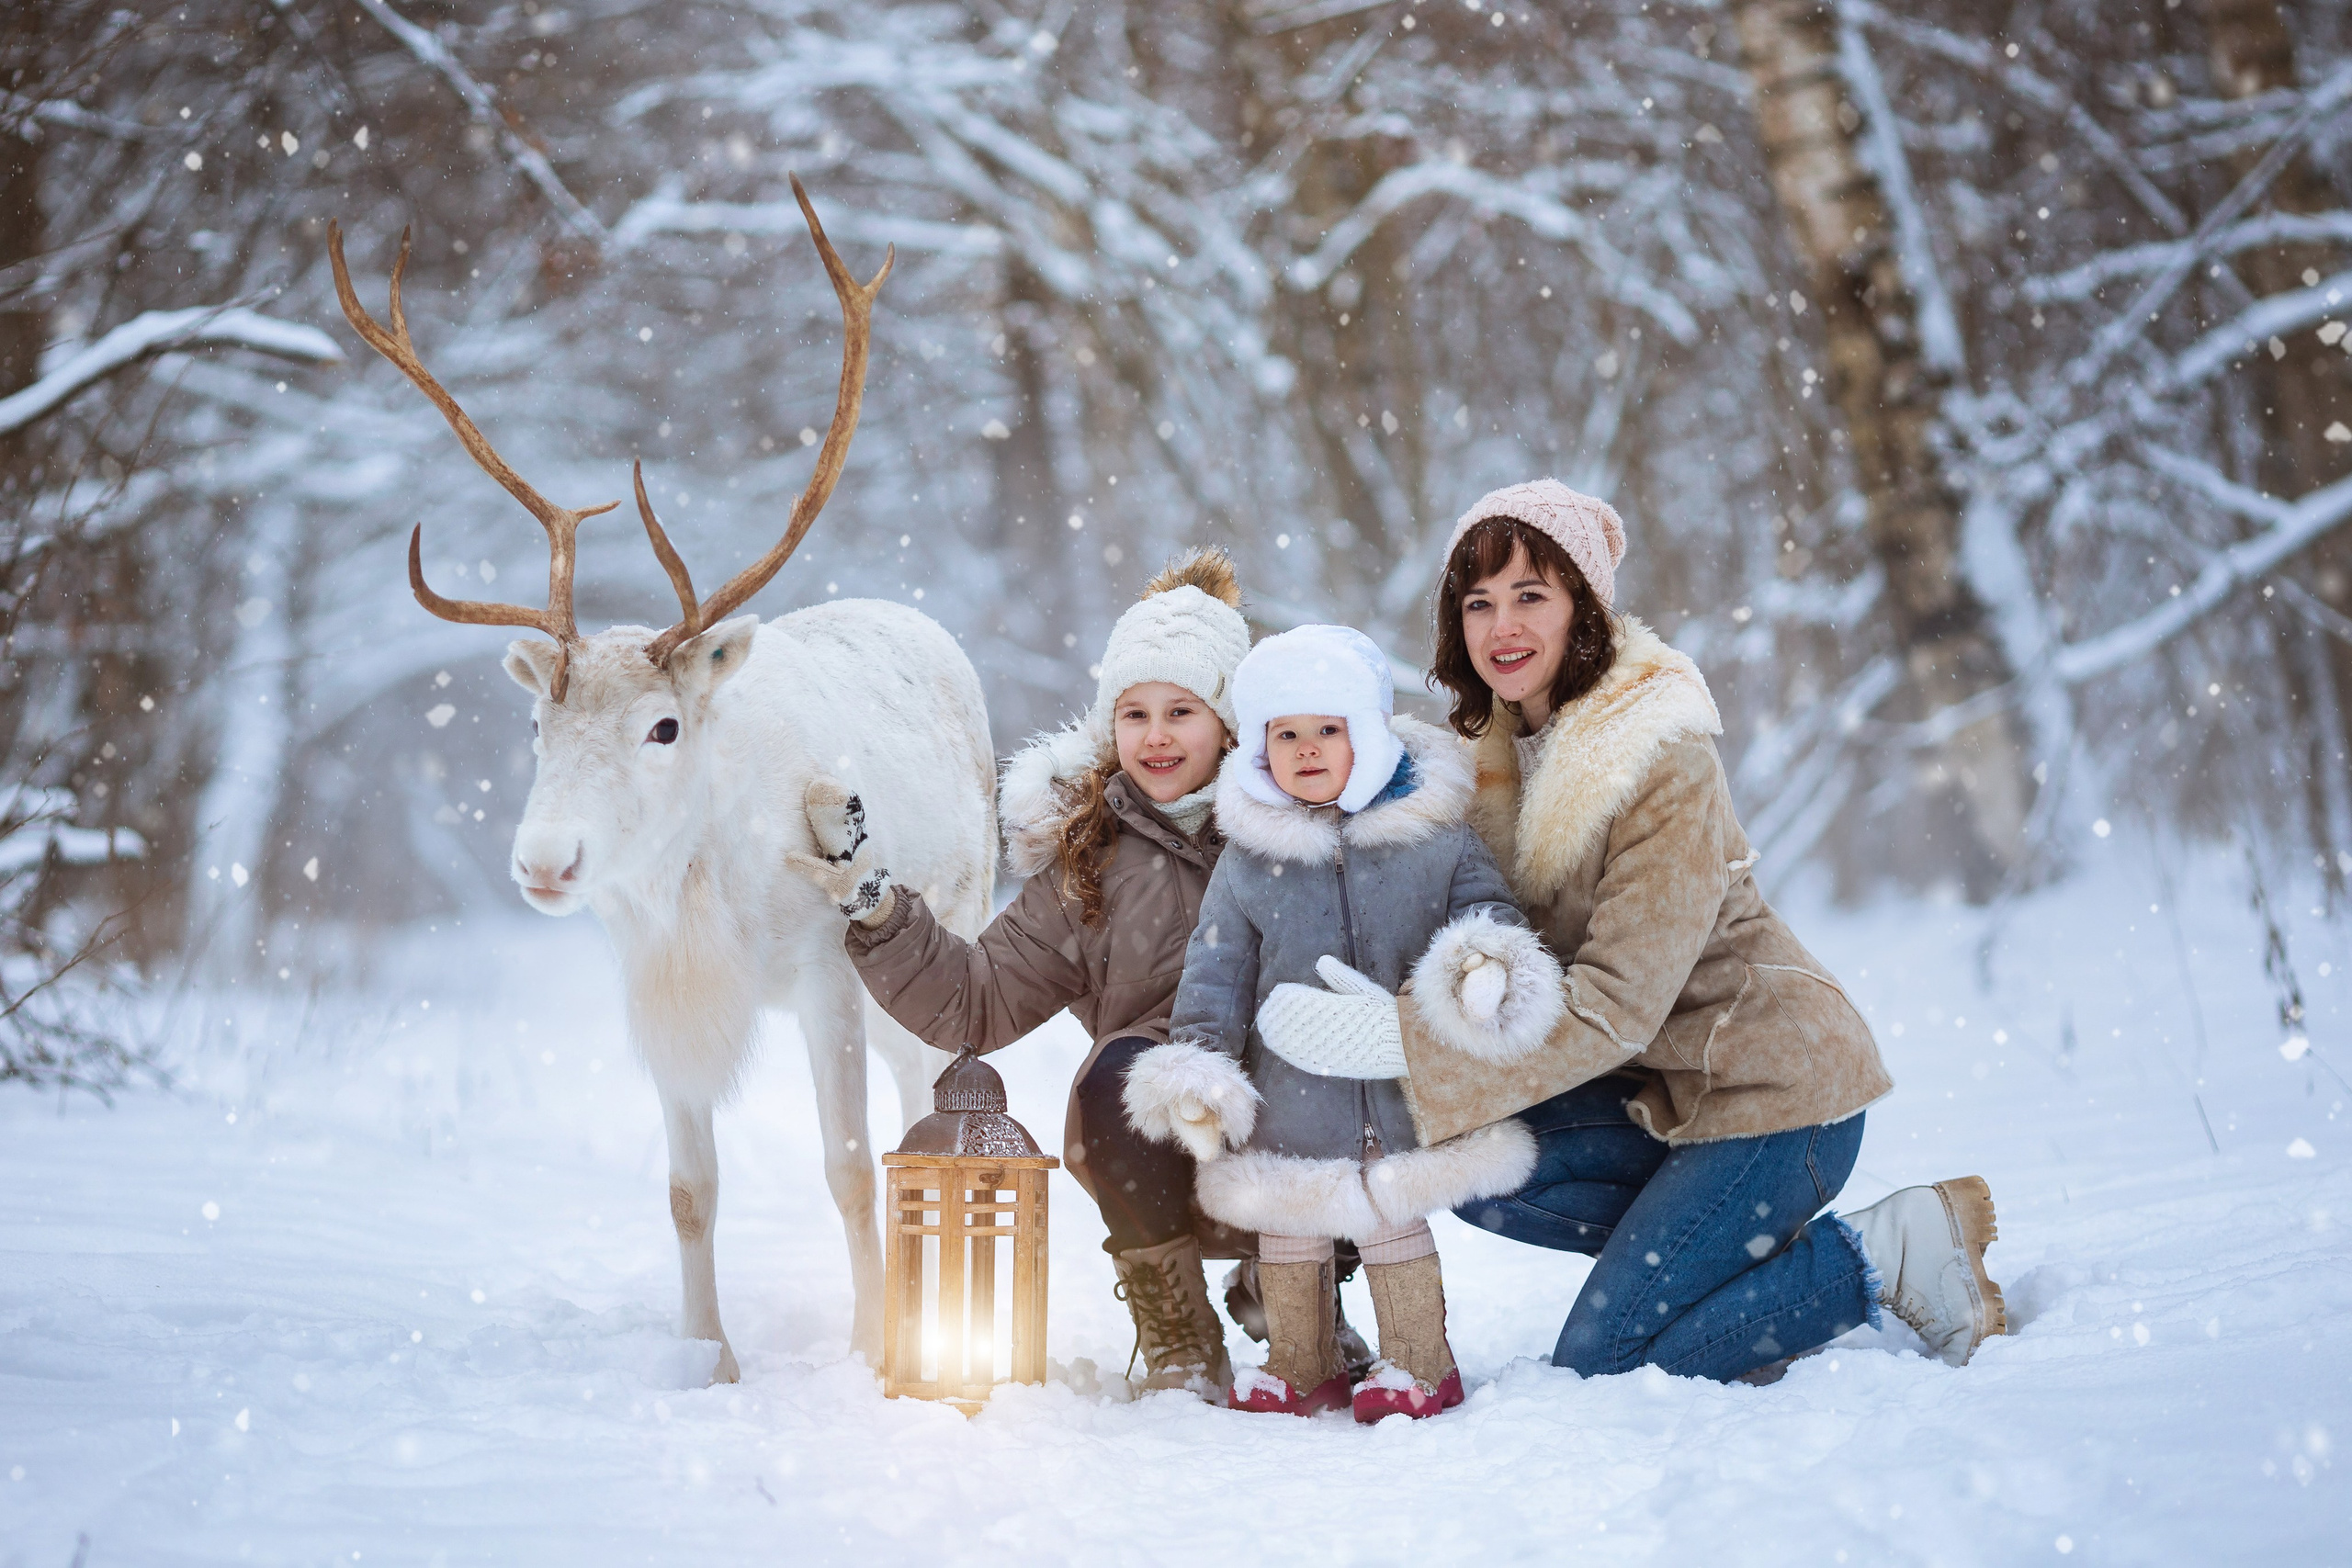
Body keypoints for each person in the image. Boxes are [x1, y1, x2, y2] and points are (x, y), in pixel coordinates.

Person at [1259, 479, 2007, 1382]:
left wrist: (1407, 1042)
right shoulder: (1490, 756)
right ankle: (1720, 1270)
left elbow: (1616, 1004)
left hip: (1767, 1094)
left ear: (1584, 605)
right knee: (1474, 1166)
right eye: (1478, 601)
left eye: (1531, 594)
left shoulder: (1657, 755)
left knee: (1608, 1362)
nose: (1502, 624)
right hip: (1655, 1100)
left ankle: (1883, 1256)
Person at [783, 549, 1260, 1395]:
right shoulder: (1093, 865)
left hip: (1285, 1082)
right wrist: (877, 905)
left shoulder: (1286, 829)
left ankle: (1310, 1303)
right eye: (1135, 712)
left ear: (1229, 723)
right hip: (1163, 1109)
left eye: (1181, 710)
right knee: (1120, 1082)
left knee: (1328, 1060)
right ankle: (1178, 1331)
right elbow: (978, 998)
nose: (1155, 735)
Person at [1122, 624, 1563, 1419]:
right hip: (1289, 1091)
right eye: (1286, 734)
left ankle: (1420, 1359)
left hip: (1396, 1083)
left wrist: (1483, 959)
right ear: (1260, 747)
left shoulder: (1432, 833)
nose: (1308, 748)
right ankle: (1301, 1358)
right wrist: (1199, 1069)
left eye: (1329, 729)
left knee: (1394, 1217)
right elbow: (1216, 968)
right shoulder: (1251, 855)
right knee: (1288, 1231)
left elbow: (1485, 906)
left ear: (1367, 732)